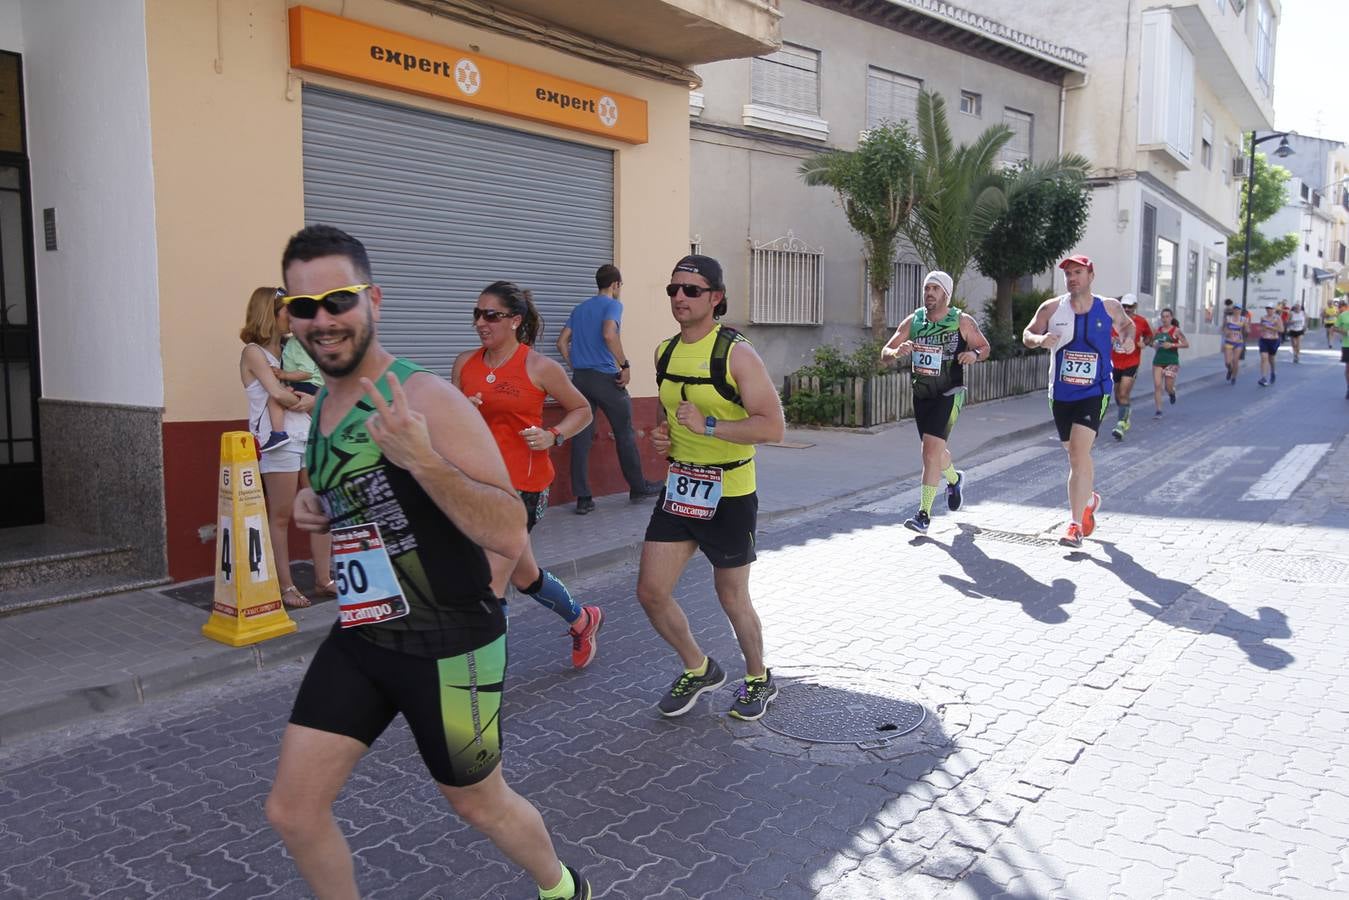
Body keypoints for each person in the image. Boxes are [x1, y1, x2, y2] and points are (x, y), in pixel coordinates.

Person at [265, 225, 591, 900]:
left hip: (449, 646)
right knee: (292, 812)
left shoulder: (428, 400)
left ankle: (562, 887)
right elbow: (366, 505)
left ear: (374, 300)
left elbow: (507, 529)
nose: (322, 320)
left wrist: (422, 459)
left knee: (478, 804)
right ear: (289, 317)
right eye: (304, 307)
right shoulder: (326, 401)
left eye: (338, 300)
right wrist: (319, 513)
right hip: (363, 633)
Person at [636, 254, 786, 721]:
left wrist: (709, 426)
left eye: (691, 290)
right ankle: (699, 667)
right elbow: (669, 414)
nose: (680, 297)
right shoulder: (664, 352)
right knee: (650, 591)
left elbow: (773, 427)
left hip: (731, 491)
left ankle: (759, 677)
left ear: (715, 298)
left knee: (731, 595)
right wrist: (664, 437)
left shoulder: (736, 353)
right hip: (681, 486)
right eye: (673, 290)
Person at [452, 280, 604, 668]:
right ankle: (582, 620)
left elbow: (582, 410)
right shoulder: (464, 363)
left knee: (489, 586)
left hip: (523, 488)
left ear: (515, 320)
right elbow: (453, 423)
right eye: (477, 314)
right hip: (476, 486)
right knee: (526, 578)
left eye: (491, 315)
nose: (480, 323)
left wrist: (552, 435)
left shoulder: (539, 367)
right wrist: (461, 412)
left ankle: (481, 686)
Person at [1022, 255, 1135, 549]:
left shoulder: (1108, 306)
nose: (1072, 278)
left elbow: (1127, 326)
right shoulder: (1051, 308)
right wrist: (1039, 340)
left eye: (1078, 272)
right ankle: (1088, 499)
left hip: (1095, 391)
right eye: (1068, 274)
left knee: (1078, 455)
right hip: (1060, 393)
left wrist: (1128, 340)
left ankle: (1074, 525)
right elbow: (1027, 333)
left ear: (1090, 275)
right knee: (1072, 452)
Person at [238, 286, 332, 607]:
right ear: (270, 314)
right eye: (286, 311)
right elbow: (276, 393)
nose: (293, 318)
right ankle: (286, 586)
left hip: (306, 435)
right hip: (278, 442)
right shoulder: (253, 352)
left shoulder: (292, 350)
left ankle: (324, 579)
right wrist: (307, 401)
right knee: (280, 516)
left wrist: (313, 400)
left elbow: (323, 386)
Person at [879, 270, 991, 533]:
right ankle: (954, 480)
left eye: (935, 289)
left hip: (950, 393)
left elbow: (984, 347)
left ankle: (924, 514)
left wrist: (974, 355)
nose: (929, 293)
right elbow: (885, 353)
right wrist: (897, 351)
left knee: (929, 452)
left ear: (946, 294)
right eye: (927, 288)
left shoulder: (961, 320)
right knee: (935, 452)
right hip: (922, 394)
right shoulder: (914, 320)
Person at [557, 264, 660, 514]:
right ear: (615, 285)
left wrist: (576, 365)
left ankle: (583, 499)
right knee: (624, 432)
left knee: (581, 436)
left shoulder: (580, 309)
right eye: (620, 286)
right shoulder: (613, 305)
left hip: (580, 379)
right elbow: (609, 333)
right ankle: (638, 487)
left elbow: (562, 342)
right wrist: (624, 364)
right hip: (606, 378)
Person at [260, 331, 324, 452]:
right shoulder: (299, 341)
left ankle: (278, 434)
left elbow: (306, 372)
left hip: (306, 384)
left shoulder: (301, 342)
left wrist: (284, 375)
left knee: (274, 399)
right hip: (311, 385)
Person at [1109, 294, 1153, 441]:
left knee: (1123, 393)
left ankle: (1121, 425)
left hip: (1131, 362)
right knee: (1117, 395)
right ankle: (1125, 413)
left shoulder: (1141, 322)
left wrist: (1144, 343)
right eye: (1124, 306)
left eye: (1130, 306)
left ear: (1135, 306)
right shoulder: (1113, 321)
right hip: (1115, 363)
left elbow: (1149, 336)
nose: (1127, 309)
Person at [1149, 307, 1189, 416]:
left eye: (1167, 316)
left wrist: (1172, 345)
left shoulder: (1176, 330)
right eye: (1163, 317)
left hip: (1172, 361)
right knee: (1157, 385)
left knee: (1168, 387)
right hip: (1158, 361)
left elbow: (1186, 344)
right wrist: (1154, 344)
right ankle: (1158, 410)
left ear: (1171, 318)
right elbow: (1150, 342)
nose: (1165, 319)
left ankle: (1172, 393)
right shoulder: (1157, 330)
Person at [1256, 303, 1284, 387]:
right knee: (1264, 358)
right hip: (1264, 340)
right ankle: (1263, 378)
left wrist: (1269, 328)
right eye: (1267, 308)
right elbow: (1261, 327)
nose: (1269, 310)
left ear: (1274, 310)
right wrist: (1261, 329)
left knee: (1271, 359)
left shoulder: (1277, 318)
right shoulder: (1263, 318)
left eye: (1271, 308)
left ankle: (1273, 371)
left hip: (1274, 340)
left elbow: (1281, 330)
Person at [1222, 303, 1247, 384]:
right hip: (1229, 341)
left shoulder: (1243, 319)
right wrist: (1227, 332)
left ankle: (1234, 377)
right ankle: (1230, 369)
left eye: (1238, 309)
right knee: (1227, 362)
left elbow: (1246, 330)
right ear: (1233, 310)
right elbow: (1224, 328)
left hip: (1238, 342)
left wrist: (1247, 329)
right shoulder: (1228, 318)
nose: (1237, 311)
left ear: (1240, 311)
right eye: (1235, 309)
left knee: (1235, 360)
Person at [1335, 303, 1349, 399]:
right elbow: (1335, 328)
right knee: (1348, 369)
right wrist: (1345, 332)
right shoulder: (1343, 315)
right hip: (1347, 345)